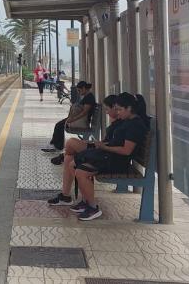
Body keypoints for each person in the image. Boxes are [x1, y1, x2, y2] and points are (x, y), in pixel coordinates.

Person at [48, 93, 150, 221]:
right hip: (110, 157)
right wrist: (103, 146)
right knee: (73, 164)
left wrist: (104, 147)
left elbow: (126, 151)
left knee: (81, 171)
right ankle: (86, 202)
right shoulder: (128, 122)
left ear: (129, 108)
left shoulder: (135, 125)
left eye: (119, 109)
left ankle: (93, 207)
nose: (117, 112)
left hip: (116, 162)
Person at [41, 81, 95, 153]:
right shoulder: (87, 96)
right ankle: (54, 145)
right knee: (59, 125)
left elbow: (84, 112)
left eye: (79, 90)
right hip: (79, 119)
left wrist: (73, 119)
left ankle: (56, 146)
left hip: (81, 121)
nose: (79, 92)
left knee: (59, 125)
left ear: (84, 88)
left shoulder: (89, 98)